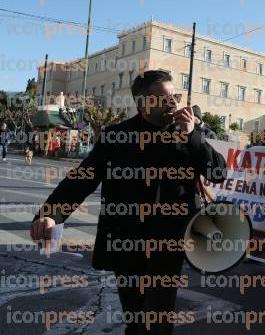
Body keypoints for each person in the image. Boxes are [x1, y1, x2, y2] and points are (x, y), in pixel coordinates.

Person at [31, 70, 227, 335]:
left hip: (168, 246)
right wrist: (52, 214)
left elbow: (218, 173)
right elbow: (81, 180)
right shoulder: (116, 137)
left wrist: (193, 136)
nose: (173, 102)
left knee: (156, 322)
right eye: (163, 97)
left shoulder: (188, 133)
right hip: (127, 244)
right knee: (135, 321)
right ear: (143, 103)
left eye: (175, 96)